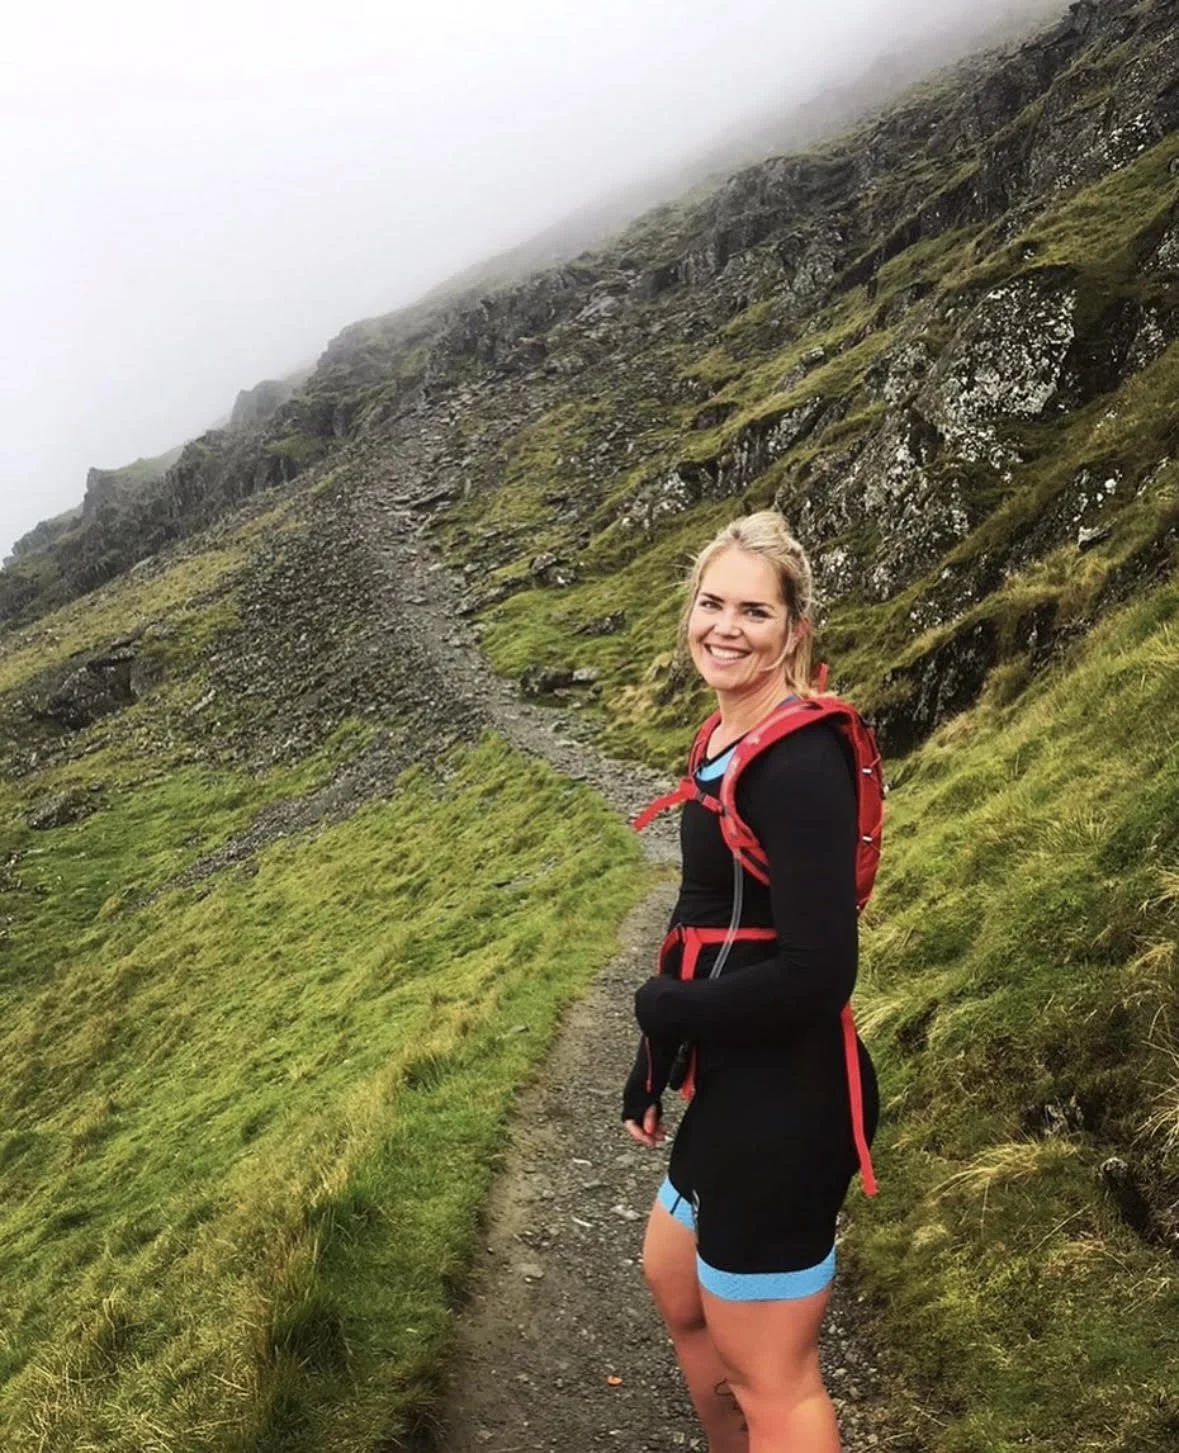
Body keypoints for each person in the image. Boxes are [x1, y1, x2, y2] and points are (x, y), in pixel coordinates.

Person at [622, 510, 879, 1453]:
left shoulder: (800, 760)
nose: (724, 627)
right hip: (736, 1076)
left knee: (773, 1378)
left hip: (792, 1092)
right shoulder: (720, 736)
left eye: (753, 612)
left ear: (794, 630)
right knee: (674, 1280)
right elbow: (705, 912)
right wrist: (660, 1051)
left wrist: (671, 1007)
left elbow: (819, 970)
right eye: (710, 603)